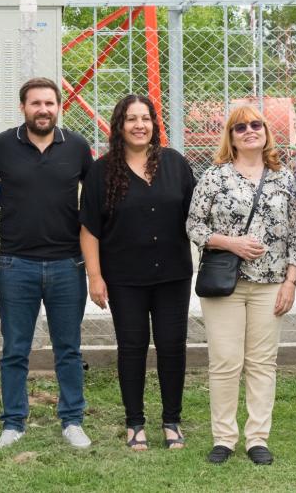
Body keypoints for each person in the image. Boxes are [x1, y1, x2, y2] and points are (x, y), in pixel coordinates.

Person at [186, 105, 296, 465]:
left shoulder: (284, 178)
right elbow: (194, 225)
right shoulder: (214, 177)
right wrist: (229, 242)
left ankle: (257, 439)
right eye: (241, 127)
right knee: (225, 361)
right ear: (231, 136)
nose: (250, 130)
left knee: (262, 363)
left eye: (256, 124)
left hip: (271, 285)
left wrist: (291, 280)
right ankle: (224, 438)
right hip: (227, 285)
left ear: (267, 131)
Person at [0, 77, 93, 449]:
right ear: (23, 107)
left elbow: (93, 203)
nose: (43, 109)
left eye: (49, 103)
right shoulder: (2, 145)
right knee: (14, 349)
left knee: (69, 348)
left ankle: (72, 420)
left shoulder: (77, 147)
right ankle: (13, 423)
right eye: (35, 103)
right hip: (16, 264)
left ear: (59, 107)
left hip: (67, 264)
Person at [79, 94, 195, 451]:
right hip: (124, 277)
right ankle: (135, 424)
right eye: (131, 119)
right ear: (119, 125)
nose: (139, 125)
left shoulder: (175, 164)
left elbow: (198, 216)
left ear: (154, 124)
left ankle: (172, 421)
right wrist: (95, 277)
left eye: (145, 118)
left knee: (172, 347)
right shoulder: (102, 170)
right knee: (132, 347)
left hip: (173, 275)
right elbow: (89, 229)